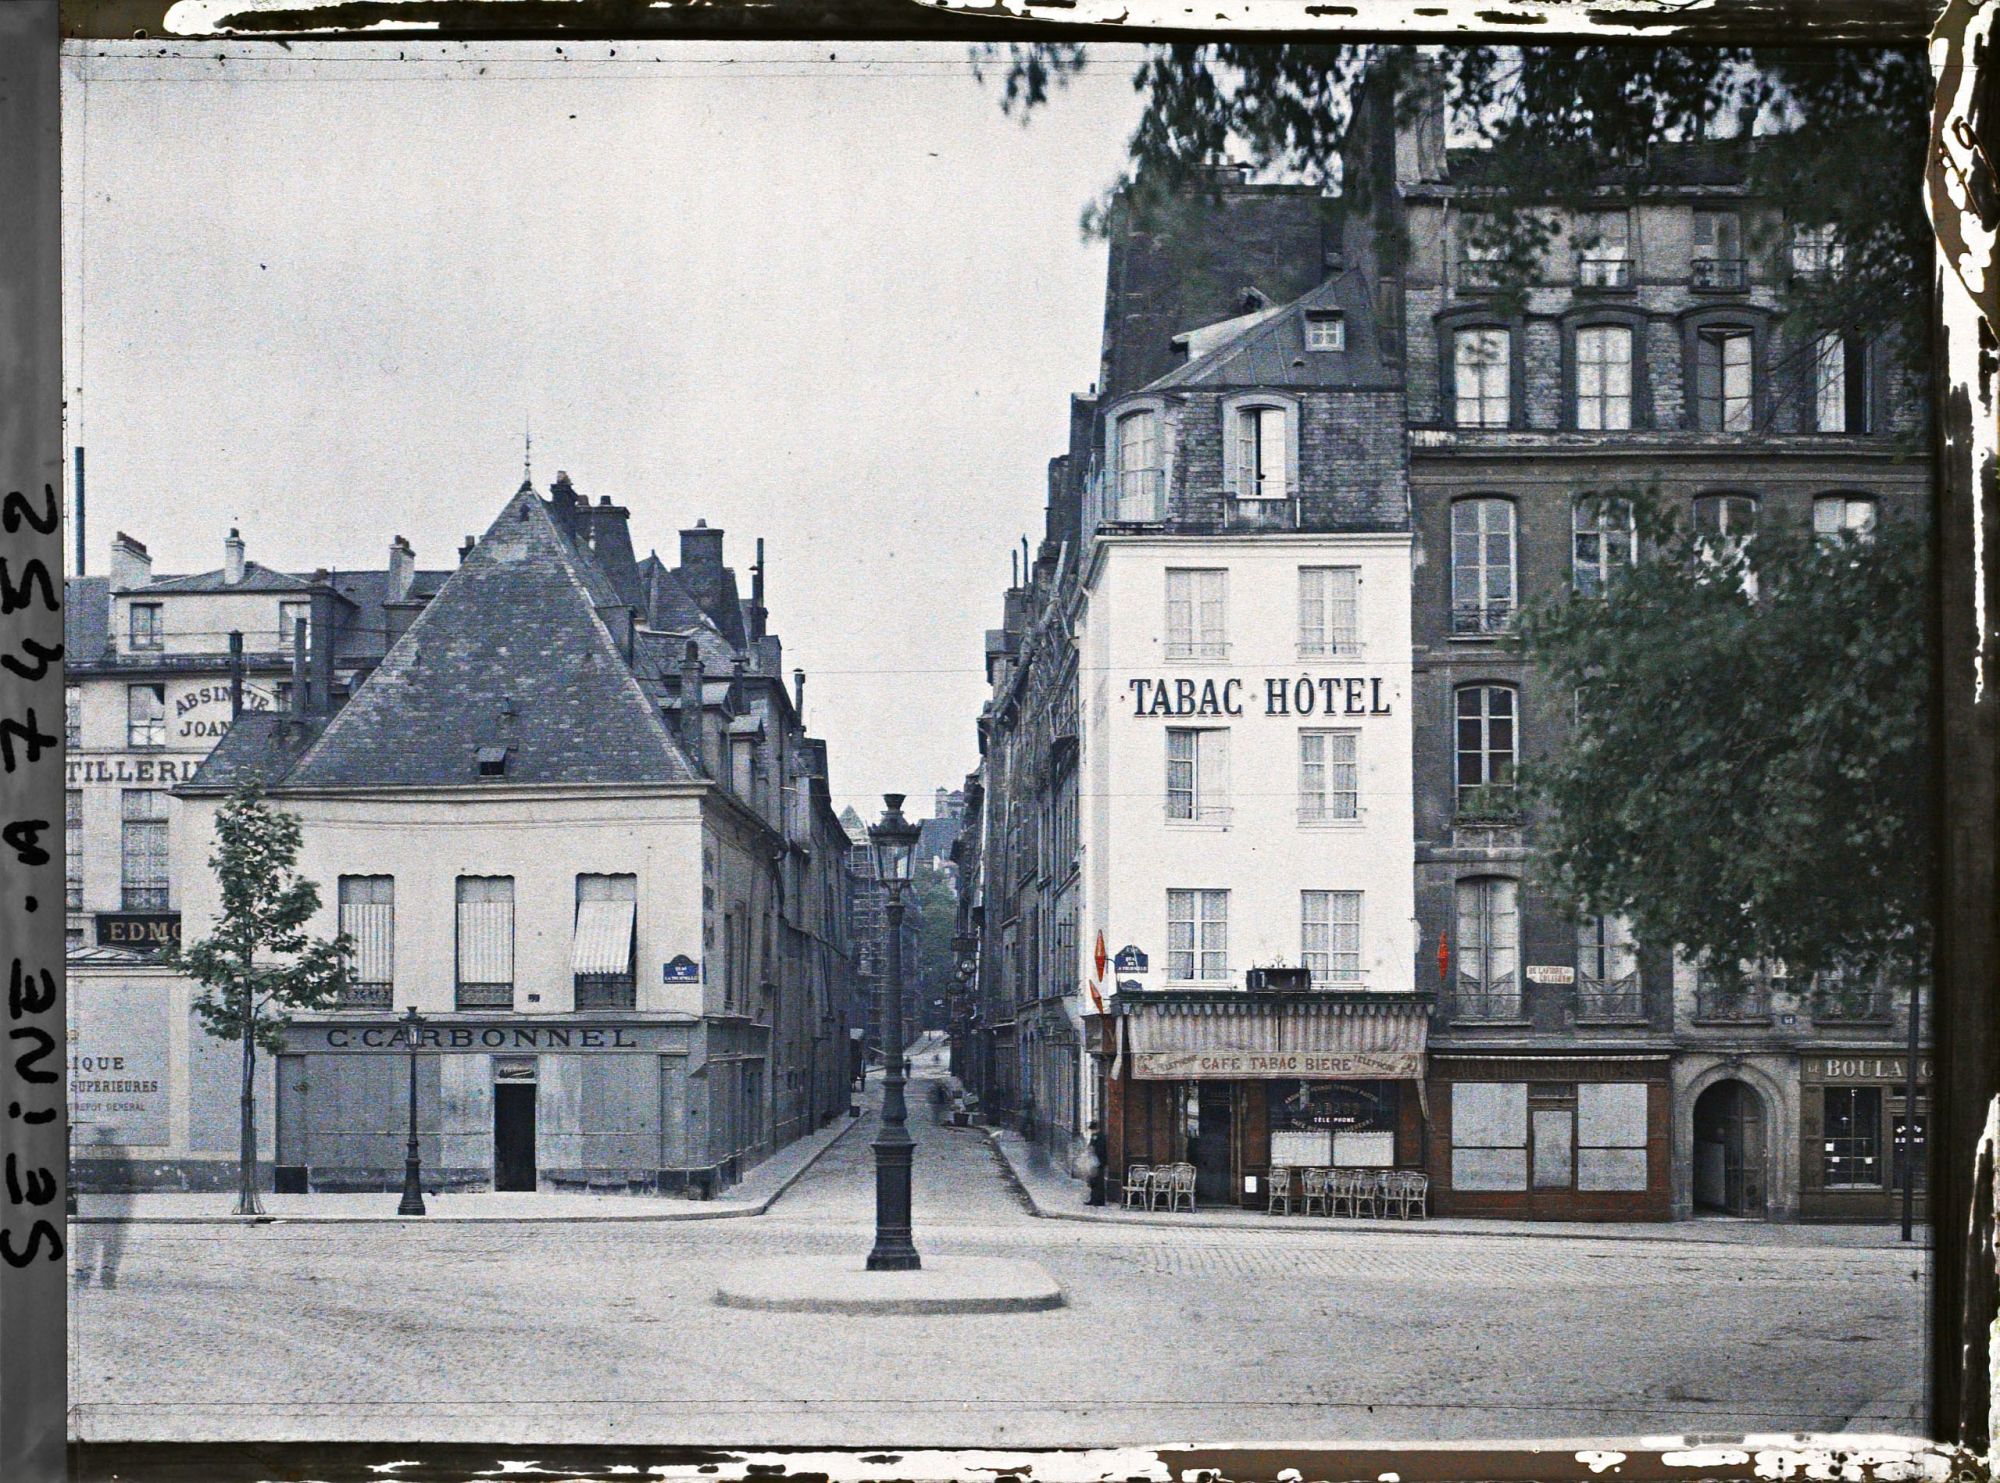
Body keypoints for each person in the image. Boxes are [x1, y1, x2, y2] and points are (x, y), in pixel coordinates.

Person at [1084, 1119, 1108, 1206]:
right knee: (1093, 1181)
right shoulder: (1097, 1136)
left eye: (1092, 1129)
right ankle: (1094, 1199)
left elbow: (1097, 1149)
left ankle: (1099, 1200)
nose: (1091, 1131)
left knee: (1098, 1182)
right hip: (1095, 1162)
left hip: (1098, 1162)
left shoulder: (1099, 1136)